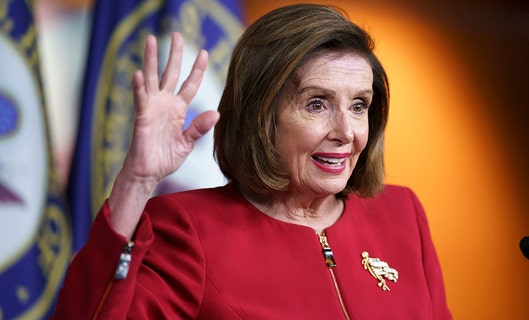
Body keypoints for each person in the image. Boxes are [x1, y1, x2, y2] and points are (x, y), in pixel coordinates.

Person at [52, 4, 452, 319]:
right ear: (260, 113)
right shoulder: (187, 229)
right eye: (317, 104)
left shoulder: (402, 216)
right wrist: (136, 183)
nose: (346, 132)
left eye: (359, 105)